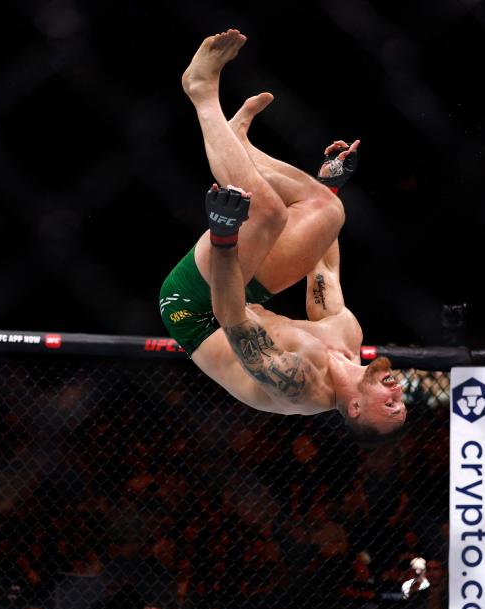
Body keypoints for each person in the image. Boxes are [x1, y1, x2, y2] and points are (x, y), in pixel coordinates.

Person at [159, 28, 407, 439]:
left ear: (357, 407)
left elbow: (231, 318)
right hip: (245, 292)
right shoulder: (349, 337)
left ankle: (201, 91)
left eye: (392, 406)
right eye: (402, 402)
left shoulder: (297, 386)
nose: (398, 393)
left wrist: (224, 236)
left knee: (267, 214)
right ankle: (239, 143)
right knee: (329, 213)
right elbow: (323, 267)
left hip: (200, 312)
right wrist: (326, 188)